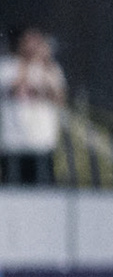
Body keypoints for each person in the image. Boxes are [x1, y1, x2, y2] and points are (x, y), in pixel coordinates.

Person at [0, 25, 66, 186]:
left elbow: (59, 98)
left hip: (41, 141)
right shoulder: (8, 66)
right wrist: (26, 64)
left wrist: (44, 64)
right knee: (15, 188)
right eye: (28, 42)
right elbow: (17, 90)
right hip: (14, 141)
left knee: (43, 188)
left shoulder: (51, 69)